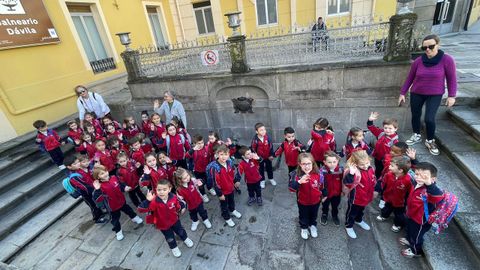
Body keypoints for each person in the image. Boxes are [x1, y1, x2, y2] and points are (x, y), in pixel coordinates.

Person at [399, 34, 457, 156]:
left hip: (435, 94)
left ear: (437, 45)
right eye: (424, 47)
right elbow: (410, 78)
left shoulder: (447, 60)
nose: (427, 50)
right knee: (415, 115)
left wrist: (452, 95)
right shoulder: (418, 61)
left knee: (429, 119)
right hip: (417, 92)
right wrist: (402, 92)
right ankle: (417, 135)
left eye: (431, 46)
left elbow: (452, 78)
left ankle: (430, 140)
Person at [138, 180, 194, 258]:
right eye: (159, 190)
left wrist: (182, 208)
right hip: (162, 224)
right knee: (169, 237)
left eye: (164, 189)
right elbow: (140, 209)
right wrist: (148, 201)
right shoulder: (154, 201)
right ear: (156, 190)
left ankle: (185, 238)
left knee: (181, 231)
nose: (161, 192)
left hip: (175, 220)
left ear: (169, 189)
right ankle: (174, 247)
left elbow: (179, 205)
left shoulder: (173, 197)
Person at [400, 162, 444, 258]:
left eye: (424, 177)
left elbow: (438, 196)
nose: (419, 177)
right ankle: (409, 239)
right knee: (410, 229)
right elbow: (417, 169)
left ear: (433, 179)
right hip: (411, 214)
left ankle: (415, 251)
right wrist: (414, 160)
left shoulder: (431, 191)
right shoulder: (416, 182)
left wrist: (429, 184)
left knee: (416, 236)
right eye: (417, 174)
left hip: (421, 220)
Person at [92, 165, 143, 241]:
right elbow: (97, 198)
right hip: (112, 207)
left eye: (105, 171)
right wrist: (97, 190)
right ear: (98, 177)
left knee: (129, 210)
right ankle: (118, 231)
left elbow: (120, 185)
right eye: (102, 173)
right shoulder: (100, 187)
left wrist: (124, 187)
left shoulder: (113, 177)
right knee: (115, 220)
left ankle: (134, 218)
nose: (105, 173)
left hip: (122, 202)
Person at [288, 153, 327, 240]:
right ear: (299, 164)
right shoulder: (295, 174)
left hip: (316, 201)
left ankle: (312, 225)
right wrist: (299, 182)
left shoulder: (319, 173)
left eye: (309, 163)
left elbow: (322, 185)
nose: (307, 166)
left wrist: (324, 194)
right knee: (303, 216)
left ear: (313, 163)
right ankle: (304, 228)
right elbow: (291, 189)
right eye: (304, 164)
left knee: (314, 214)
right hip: (302, 201)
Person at [343, 150, 376, 239]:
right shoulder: (353, 171)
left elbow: (373, 179)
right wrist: (351, 173)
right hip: (355, 198)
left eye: (367, 163)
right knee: (351, 213)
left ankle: (358, 220)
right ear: (355, 164)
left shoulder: (370, 168)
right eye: (362, 164)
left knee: (361, 210)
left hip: (366, 197)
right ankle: (348, 225)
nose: (365, 166)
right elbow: (347, 183)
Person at [376, 156, 413, 233]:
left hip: (400, 203)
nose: (389, 166)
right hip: (388, 198)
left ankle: (398, 224)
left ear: (400, 170)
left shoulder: (408, 180)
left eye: (392, 166)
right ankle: (384, 216)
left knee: (399, 214)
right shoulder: (389, 175)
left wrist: (407, 202)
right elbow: (383, 183)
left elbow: (410, 192)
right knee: (386, 208)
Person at [64, 155, 106, 224]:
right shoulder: (74, 177)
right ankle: (97, 218)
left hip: (92, 188)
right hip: (87, 194)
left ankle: (101, 213)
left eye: (78, 162)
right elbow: (85, 187)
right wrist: (95, 189)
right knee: (93, 206)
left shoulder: (79, 169)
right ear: (69, 167)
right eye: (75, 164)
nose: (78, 164)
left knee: (96, 203)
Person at [208, 145, 242, 227]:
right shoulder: (215, 168)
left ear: (229, 155)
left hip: (230, 188)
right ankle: (226, 217)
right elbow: (215, 183)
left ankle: (232, 209)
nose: (224, 157)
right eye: (221, 154)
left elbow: (232, 174)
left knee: (231, 200)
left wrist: (235, 181)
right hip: (223, 191)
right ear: (217, 155)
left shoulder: (229, 163)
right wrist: (220, 194)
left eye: (226, 154)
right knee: (224, 205)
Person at [367, 112, 399, 178]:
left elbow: (395, 154)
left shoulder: (395, 141)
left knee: (384, 173)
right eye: (385, 128)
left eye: (390, 128)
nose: (387, 130)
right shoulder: (381, 133)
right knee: (377, 171)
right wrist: (370, 120)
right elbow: (372, 128)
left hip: (386, 161)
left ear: (395, 129)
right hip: (377, 157)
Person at [320, 151, 343, 227]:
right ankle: (324, 214)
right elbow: (320, 183)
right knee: (325, 205)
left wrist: (343, 190)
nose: (332, 164)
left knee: (335, 206)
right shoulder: (322, 171)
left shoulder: (340, 170)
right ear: (325, 162)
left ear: (337, 161)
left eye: (334, 162)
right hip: (326, 193)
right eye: (329, 162)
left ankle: (335, 215)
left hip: (337, 193)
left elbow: (343, 181)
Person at [186, 135, 211, 203]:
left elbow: (209, 157)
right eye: (198, 143)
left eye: (202, 142)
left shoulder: (206, 148)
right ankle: (203, 194)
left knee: (209, 180)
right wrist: (193, 149)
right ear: (194, 144)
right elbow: (186, 155)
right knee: (200, 184)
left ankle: (210, 188)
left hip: (206, 169)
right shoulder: (193, 151)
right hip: (197, 171)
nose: (201, 145)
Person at [251, 122, 276, 188]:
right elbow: (253, 149)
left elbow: (271, 146)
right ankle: (262, 180)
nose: (263, 131)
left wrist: (271, 155)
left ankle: (271, 178)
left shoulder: (268, 137)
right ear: (257, 131)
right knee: (260, 169)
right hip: (260, 158)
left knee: (269, 168)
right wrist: (256, 157)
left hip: (268, 156)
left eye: (264, 129)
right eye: (261, 130)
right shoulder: (255, 140)